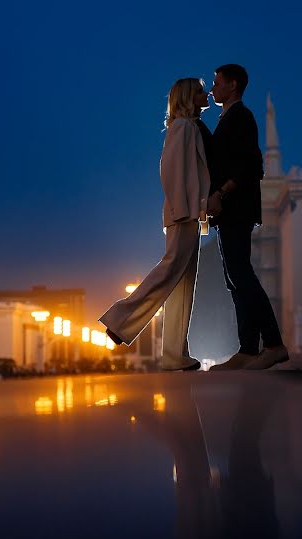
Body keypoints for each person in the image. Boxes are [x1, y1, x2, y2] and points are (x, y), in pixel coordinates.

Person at [99, 77, 210, 371]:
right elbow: (171, 171)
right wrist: (182, 209)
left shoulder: (189, 127)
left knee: (182, 283)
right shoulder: (182, 128)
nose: (206, 93)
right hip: (182, 212)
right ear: (188, 96)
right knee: (170, 270)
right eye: (199, 90)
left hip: (188, 212)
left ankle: (175, 355)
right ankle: (119, 318)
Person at [206, 64, 288, 370]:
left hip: (237, 209)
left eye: (217, 83)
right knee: (234, 279)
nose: (213, 88)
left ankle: (274, 344)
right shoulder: (227, 118)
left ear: (233, 85)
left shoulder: (241, 117)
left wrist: (221, 193)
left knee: (241, 275)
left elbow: (252, 164)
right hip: (228, 212)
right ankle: (248, 349)